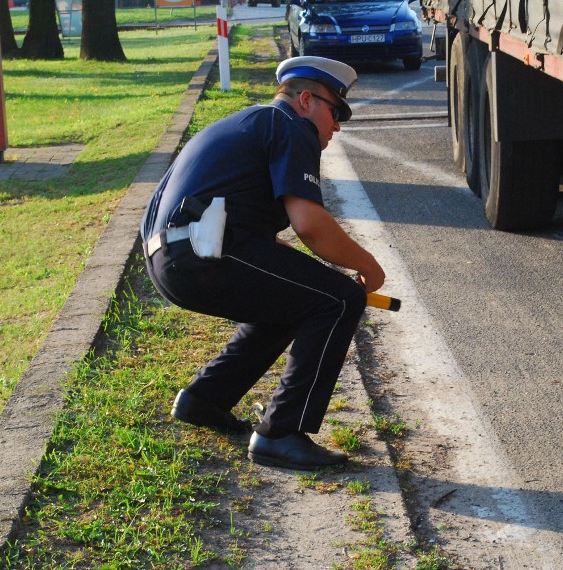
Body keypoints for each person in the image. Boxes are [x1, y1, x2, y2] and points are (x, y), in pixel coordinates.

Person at [140, 56, 386, 471]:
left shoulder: (246, 123)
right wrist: (368, 267)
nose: (338, 125)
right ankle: (281, 435)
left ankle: (205, 399)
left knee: (300, 295)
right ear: (306, 100)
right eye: (335, 111)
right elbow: (309, 224)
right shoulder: (291, 127)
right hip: (200, 257)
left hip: (171, 259)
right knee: (339, 298)